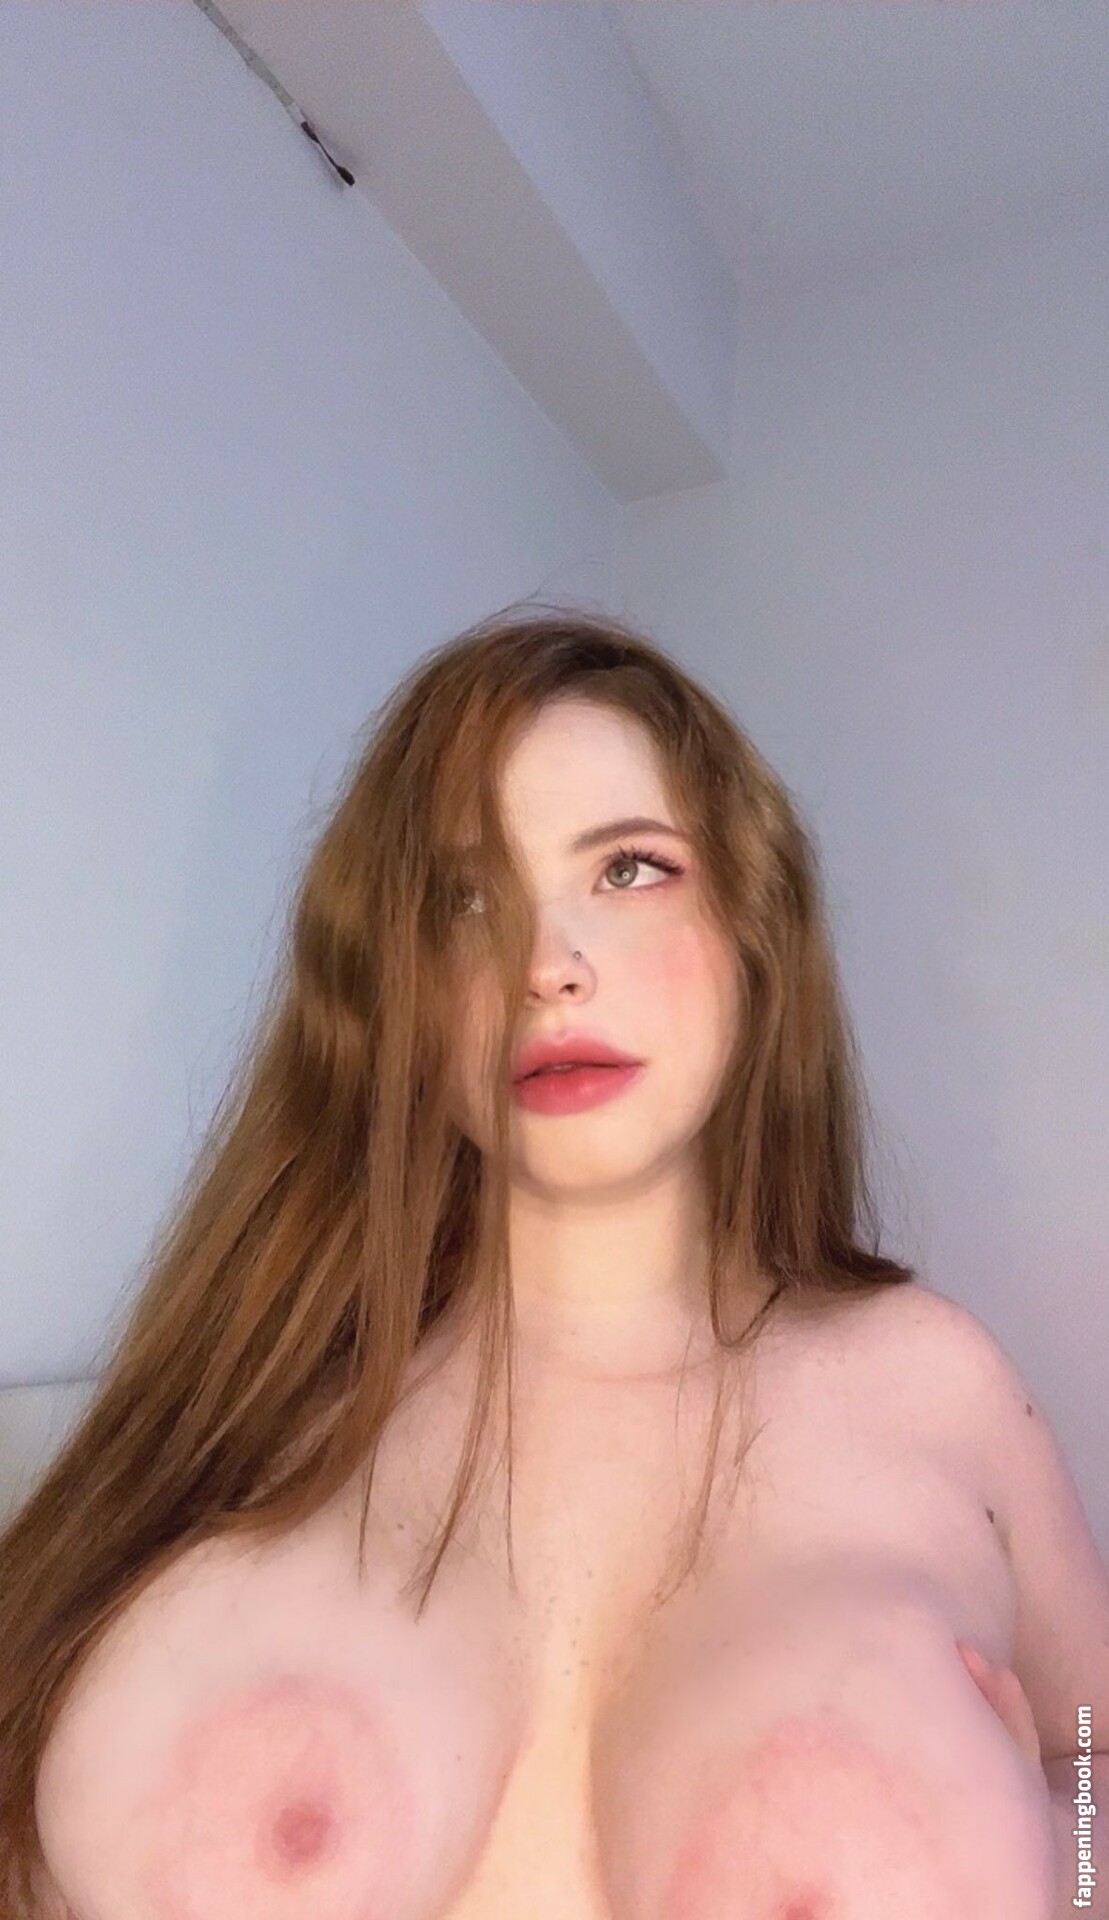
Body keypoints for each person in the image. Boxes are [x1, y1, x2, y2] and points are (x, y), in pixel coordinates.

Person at [1, 608, 1106, 1920]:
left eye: (630, 869)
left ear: (755, 925)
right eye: (467, 900)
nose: (547, 968)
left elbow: (1091, 1756)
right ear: (397, 993)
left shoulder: (938, 1382)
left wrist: (1070, 1863)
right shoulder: (253, 1391)